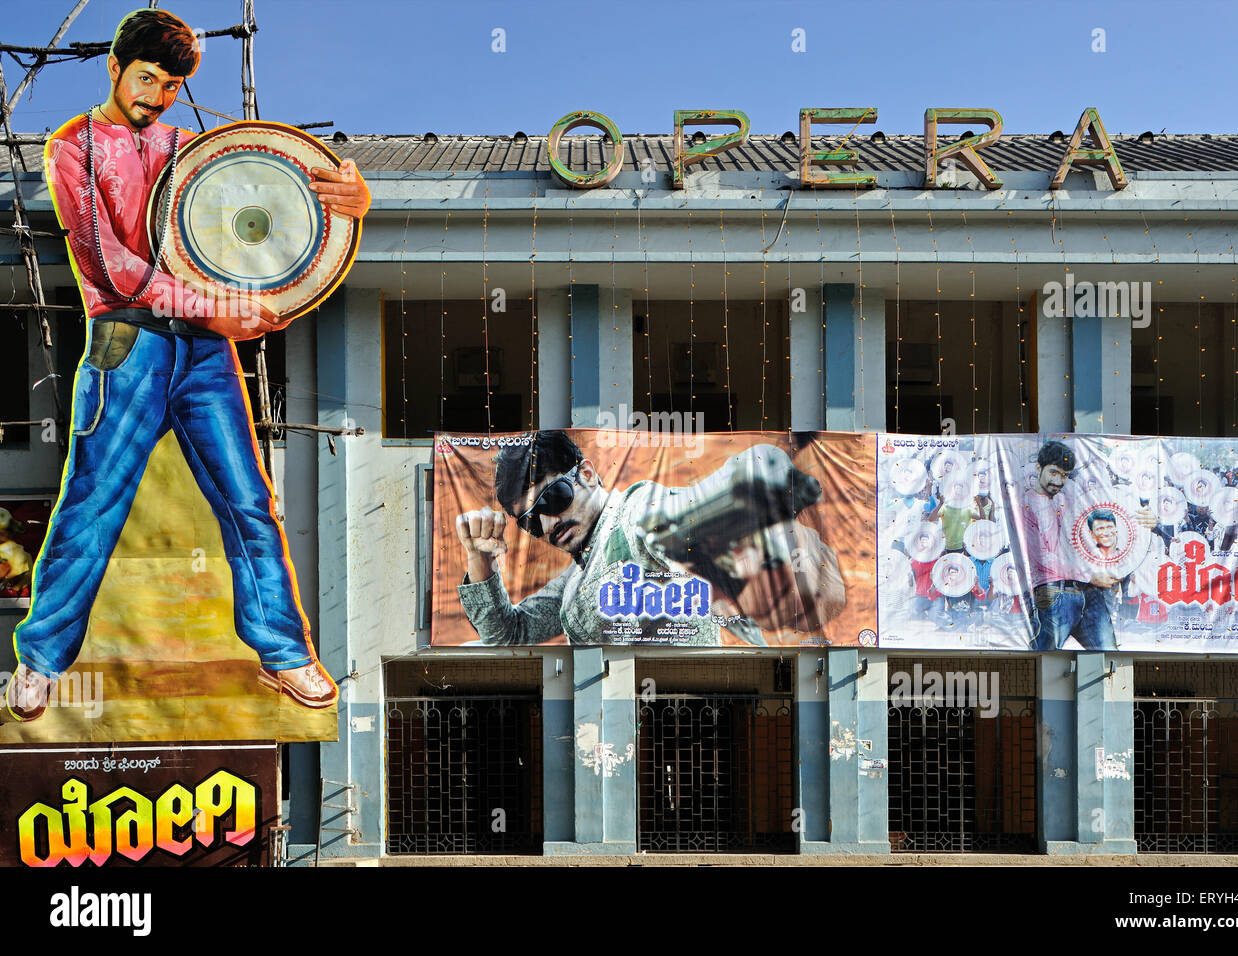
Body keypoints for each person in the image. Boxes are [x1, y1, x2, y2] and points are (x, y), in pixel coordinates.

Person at [7, 9, 371, 721]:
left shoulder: (191, 146)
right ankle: (40, 661)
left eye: (172, 85)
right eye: (147, 78)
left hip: (205, 350)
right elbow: (109, 265)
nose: (159, 95)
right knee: (91, 504)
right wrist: (217, 309)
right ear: (114, 68)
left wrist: (352, 197)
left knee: (248, 500)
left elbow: (276, 208)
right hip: (126, 339)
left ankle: (284, 652)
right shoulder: (71, 148)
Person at [455, 431, 846, 645]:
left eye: (552, 498)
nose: (547, 524)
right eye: (529, 521)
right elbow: (508, 633)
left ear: (587, 475)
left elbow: (674, 516)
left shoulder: (635, 511)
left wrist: (747, 485)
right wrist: (480, 561)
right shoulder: (574, 578)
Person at [1012, 441, 1151, 651]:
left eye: (1064, 475)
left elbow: (1107, 509)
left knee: (1109, 654)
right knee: (1043, 659)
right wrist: (1090, 574)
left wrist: (1148, 519)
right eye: (1053, 472)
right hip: (1054, 592)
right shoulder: (1025, 505)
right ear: (1038, 468)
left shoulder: (1068, 499)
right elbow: (1044, 557)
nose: (1058, 481)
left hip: (1090, 592)